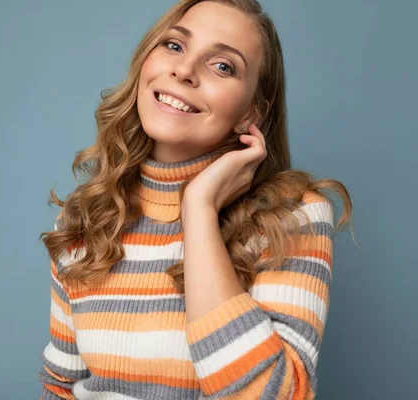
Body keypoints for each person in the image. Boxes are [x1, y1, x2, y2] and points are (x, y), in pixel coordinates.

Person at [36, 0, 355, 398]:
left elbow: (275, 394)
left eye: (223, 65)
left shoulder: (292, 217)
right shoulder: (84, 221)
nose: (184, 71)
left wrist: (199, 209)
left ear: (251, 110)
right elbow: (59, 386)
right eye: (174, 46)